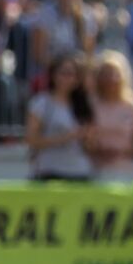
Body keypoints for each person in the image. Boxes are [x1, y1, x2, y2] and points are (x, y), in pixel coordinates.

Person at [25, 53, 93, 181]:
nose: (68, 78)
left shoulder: (84, 104)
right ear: (53, 75)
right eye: (64, 73)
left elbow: (90, 145)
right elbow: (31, 139)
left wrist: (88, 138)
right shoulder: (41, 103)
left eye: (73, 74)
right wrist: (65, 138)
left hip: (79, 171)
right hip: (49, 170)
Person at [86, 50, 133, 181]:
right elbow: (86, 138)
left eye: (115, 74)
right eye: (107, 74)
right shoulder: (91, 105)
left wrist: (121, 153)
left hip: (126, 170)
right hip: (97, 169)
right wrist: (100, 152)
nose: (111, 79)